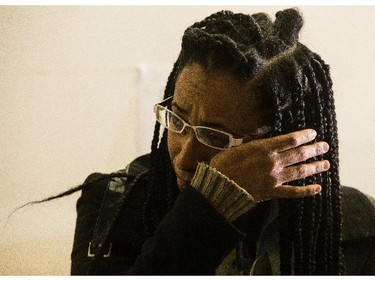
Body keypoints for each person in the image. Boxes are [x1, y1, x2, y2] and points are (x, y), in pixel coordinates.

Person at [30, 8, 374, 275]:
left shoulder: (356, 226)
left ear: (282, 144)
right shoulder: (113, 204)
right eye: (177, 120)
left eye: (214, 136)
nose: (184, 155)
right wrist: (208, 207)